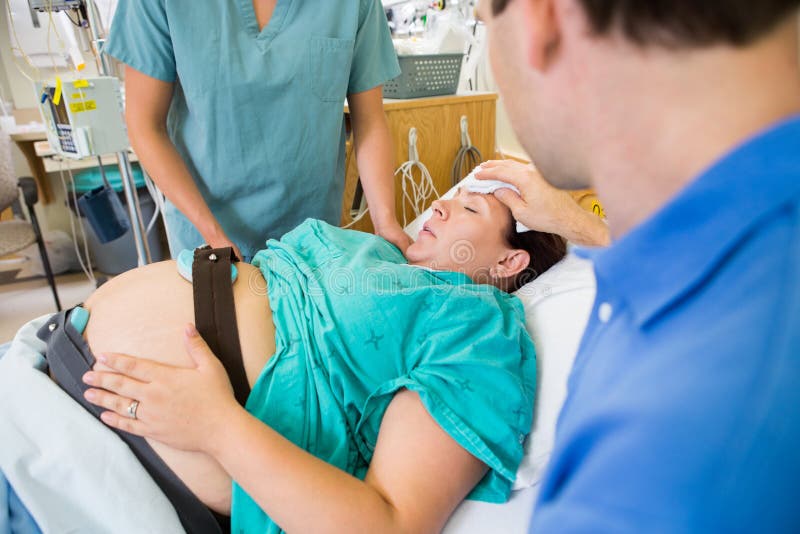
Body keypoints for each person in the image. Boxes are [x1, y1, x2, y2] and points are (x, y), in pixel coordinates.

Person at [60, 189, 568, 532]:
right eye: (450, 200)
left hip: (127, 450)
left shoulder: (478, 329)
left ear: (509, 261)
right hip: (61, 355)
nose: (439, 207)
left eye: (469, 211)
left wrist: (217, 427)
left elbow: (392, 522)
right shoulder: (383, 258)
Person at [473, 0, 800, 531]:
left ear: (540, 16)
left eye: (486, 24)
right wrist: (578, 224)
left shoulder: (652, 480)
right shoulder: (736, 256)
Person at [105, 0, 412, 260]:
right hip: (205, 238)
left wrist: (385, 220)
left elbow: (370, 120)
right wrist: (212, 234)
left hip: (312, 244)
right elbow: (145, 125)